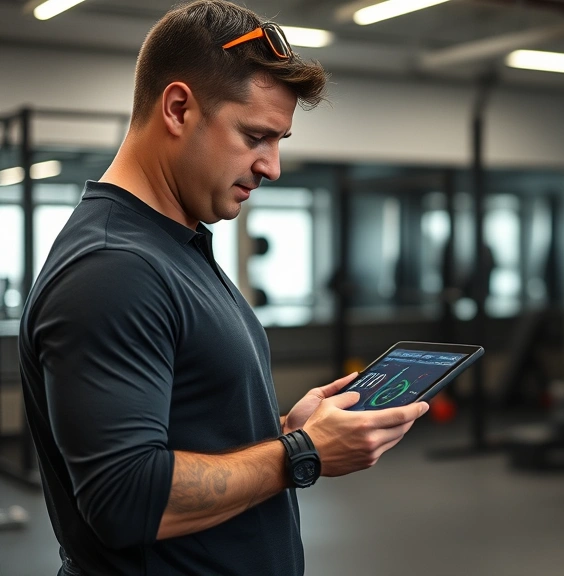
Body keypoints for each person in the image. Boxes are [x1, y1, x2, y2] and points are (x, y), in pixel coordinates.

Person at [19, 2, 428, 574]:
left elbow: (193, 432)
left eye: (279, 140)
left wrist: (286, 431)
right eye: (256, 136)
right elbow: (125, 499)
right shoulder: (115, 268)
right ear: (178, 109)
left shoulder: (175, 243)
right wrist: (303, 453)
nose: (272, 166)